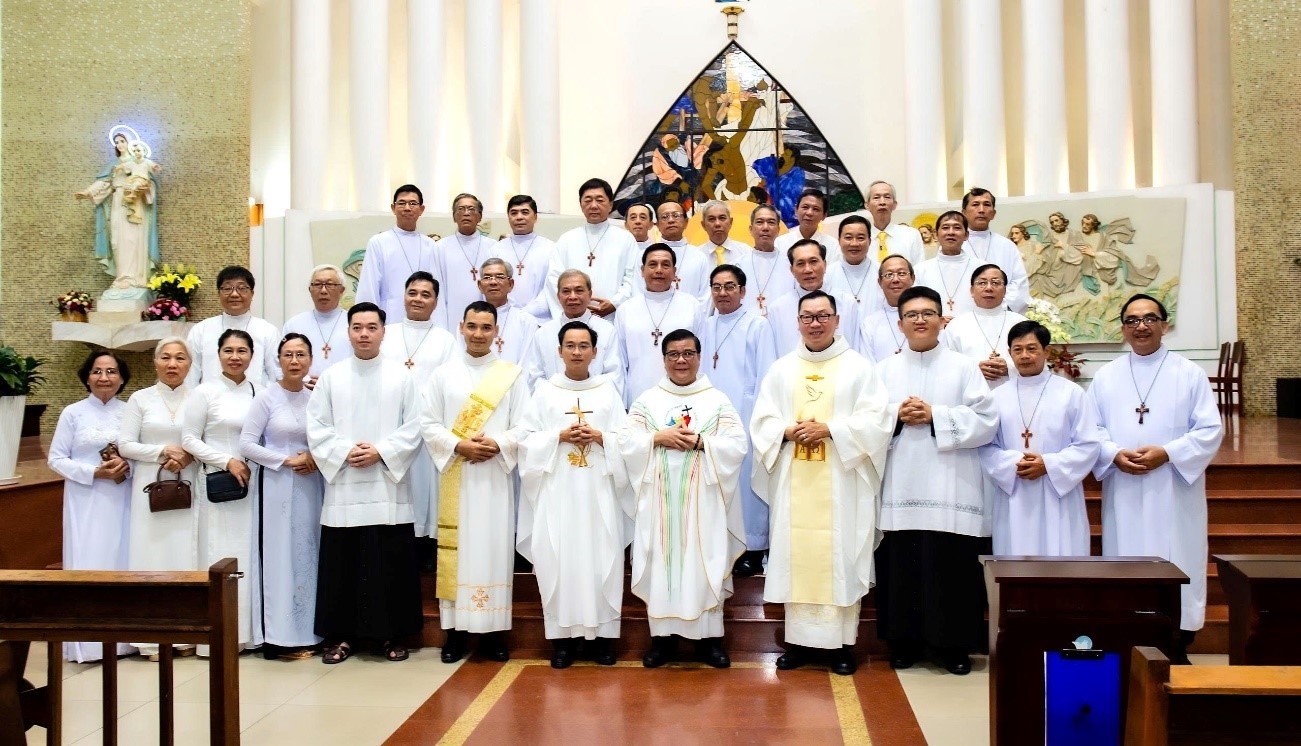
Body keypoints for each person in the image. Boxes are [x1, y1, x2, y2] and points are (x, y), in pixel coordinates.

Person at [751, 290, 892, 675]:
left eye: (823, 316)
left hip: (842, 481)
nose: (815, 323)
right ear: (797, 322)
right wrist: (786, 431)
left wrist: (830, 429)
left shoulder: (859, 368)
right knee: (795, 557)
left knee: (840, 555)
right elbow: (761, 421)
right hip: (793, 478)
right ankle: (798, 643)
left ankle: (842, 646)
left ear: (836, 320)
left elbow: (877, 421)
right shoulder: (782, 370)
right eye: (808, 317)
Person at [1085, 294, 1223, 664]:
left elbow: (1210, 430)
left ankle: (1178, 641)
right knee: (1126, 559)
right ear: (1123, 328)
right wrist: (1114, 453)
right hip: (1125, 488)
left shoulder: (1188, 374)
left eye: (1149, 318)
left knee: (1178, 556)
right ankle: (1128, 638)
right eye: (1132, 320)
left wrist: (1169, 453)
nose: (1141, 326)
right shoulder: (1107, 377)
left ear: (1164, 324)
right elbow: (1090, 429)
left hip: (1173, 490)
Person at [874, 286, 998, 675]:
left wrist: (935, 415)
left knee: (951, 567)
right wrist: (895, 416)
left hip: (952, 485)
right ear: (900, 324)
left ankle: (953, 647)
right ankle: (903, 643)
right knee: (902, 565)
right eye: (911, 314)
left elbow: (987, 421)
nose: (920, 320)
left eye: (928, 313)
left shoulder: (964, 368)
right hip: (900, 484)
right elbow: (865, 422)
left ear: (943, 320)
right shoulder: (883, 370)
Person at [618, 329, 748, 668]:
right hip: (659, 504)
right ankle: (662, 641)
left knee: (703, 565)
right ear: (663, 360)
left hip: (703, 504)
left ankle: (710, 641)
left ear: (699, 357)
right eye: (673, 354)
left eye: (688, 353)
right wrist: (657, 437)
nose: (681, 360)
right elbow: (625, 442)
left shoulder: (717, 400)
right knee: (663, 566)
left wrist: (703, 442)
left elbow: (738, 444)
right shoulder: (647, 401)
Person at [308, 303, 425, 665]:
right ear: (348, 332)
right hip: (344, 483)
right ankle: (340, 636)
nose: (364, 334)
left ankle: (392, 634)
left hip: (386, 484)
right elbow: (316, 425)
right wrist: (345, 451)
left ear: (383, 332)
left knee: (387, 560)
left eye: (371, 327)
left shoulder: (401, 377)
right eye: (357, 327)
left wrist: (381, 451)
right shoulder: (331, 377)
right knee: (343, 561)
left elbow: (415, 425)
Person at [517, 321, 632, 668]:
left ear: (595, 352)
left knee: (602, 557)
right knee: (559, 557)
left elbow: (627, 440)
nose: (577, 352)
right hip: (559, 491)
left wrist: (601, 437)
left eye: (584, 346)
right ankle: (562, 640)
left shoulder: (608, 391)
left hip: (600, 491)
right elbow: (525, 439)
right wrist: (558, 437)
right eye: (570, 346)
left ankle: (603, 639)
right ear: (559, 351)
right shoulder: (545, 392)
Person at [422, 301, 532, 663]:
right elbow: (428, 423)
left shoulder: (511, 376)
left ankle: (494, 633)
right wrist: (459, 445)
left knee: (492, 551)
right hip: (457, 474)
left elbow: (526, 425)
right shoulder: (443, 375)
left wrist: (498, 443)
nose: (478, 334)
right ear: (461, 327)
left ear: (496, 332)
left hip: (494, 480)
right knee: (459, 554)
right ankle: (455, 634)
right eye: (472, 326)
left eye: (486, 327)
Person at [980, 321, 1100, 556]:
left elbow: (1088, 444)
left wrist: (1048, 464)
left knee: (1061, 557)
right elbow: (986, 446)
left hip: (1059, 494)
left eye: (1032, 348)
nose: (1024, 355)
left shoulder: (1071, 393)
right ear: (1010, 353)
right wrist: (1014, 463)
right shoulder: (997, 397)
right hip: (1014, 492)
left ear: (1046, 351)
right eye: (1018, 349)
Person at [239, 333, 326, 660]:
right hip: (277, 486)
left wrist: (314, 457)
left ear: (310, 360)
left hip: (311, 484)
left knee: (309, 553)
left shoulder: (315, 398)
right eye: (288, 354)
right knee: (280, 557)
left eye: (301, 354)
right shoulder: (266, 398)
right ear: (278, 359)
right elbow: (247, 444)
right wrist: (286, 460)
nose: (294, 361)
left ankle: (311, 633)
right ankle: (280, 637)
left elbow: (326, 437)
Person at [48, 350, 135, 663]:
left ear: (122, 378)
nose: (104, 378)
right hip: (84, 499)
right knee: (88, 559)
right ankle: (88, 643)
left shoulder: (130, 411)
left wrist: (127, 467)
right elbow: (56, 459)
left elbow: (139, 453)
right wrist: (94, 472)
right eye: (97, 371)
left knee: (122, 559)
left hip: (122, 496)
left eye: (111, 371)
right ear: (87, 377)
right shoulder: (73, 413)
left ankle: (125, 640)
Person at [118, 337, 199, 660]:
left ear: (190, 364)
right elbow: (125, 445)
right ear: (155, 362)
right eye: (165, 357)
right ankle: (151, 638)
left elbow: (207, 439)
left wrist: (188, 456)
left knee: (186, 556)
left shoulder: (199, 396)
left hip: (188, 484)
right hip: (149, 486)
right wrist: (163, 451)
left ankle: (187, 634)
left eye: (180, 358)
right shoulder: (140, 399)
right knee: (151, 556)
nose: (172, 364)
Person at [181, 329, 262, 650]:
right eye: (228, 350)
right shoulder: (204, 392)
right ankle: (217, 637)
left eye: (242, 351)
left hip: (252, 484)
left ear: (252, 356)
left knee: (248, 555)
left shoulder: (259, 391)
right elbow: (189, 439)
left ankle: (247, 635)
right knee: (219, 553)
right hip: (217, 482)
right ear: (218, 355)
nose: (235, 357)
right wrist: (227, 461)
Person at [700, 265, 777, 576]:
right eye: (716, 287)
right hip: (710, 416)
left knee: (745, 482)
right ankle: (716, 545)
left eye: (730, 286)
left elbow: (766, 373)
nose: (722, 293)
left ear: (743, 291)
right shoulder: (705, 325)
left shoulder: (757, 325)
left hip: (745, 414)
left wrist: (758, 420)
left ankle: (751, 549)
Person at [379, 272, 457, 545]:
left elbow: (449, 384)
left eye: (426, 295)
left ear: (435, 301)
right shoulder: (385, 334)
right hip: (391, 426)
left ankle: (425, 544)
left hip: (428, 429)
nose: (418, 299)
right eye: (412, 293)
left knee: (426, 490)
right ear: (403, 296)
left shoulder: (446, 340)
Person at [615, 244, 705, 406]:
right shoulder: (626, 310)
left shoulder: (691, 306)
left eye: (665, 265)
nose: (659, 270)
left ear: (674, 271)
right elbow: (620, 363)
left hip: (684, 397)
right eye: (652, 264)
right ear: (642, 270)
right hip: (638, 397)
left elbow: (701, 356)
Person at [75, 129, 161, 297]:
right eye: (117, 142)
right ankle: (122, 276)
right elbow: (104, 183)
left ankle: (135, 278)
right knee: (117, 240)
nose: (119, 144)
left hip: (135, 204)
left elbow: (149, 182)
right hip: (117, 202)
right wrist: (88, 192)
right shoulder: (114, 165)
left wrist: (144, 188)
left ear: (131, 143)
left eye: (122, 141)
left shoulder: (139, 162)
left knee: (132, 239)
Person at [546, 178, 638, 318]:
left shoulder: (625, 239)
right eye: (588, 200)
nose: (593, 206)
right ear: (581, 204)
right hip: (573, 316)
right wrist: (571, 309)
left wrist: (614, 303)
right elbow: (554, 278)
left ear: (610, 205)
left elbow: (633, 277)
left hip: (613, 315)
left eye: (600, 200)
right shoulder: (567, 239)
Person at [526, 269, 625, 397]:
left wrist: (584, 394)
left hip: (594, 402)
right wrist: (560, 396)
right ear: (558, 296)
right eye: (566, 291)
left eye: (579, 291)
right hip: (554, 403)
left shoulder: (607, 330)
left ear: (590, 294)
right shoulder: (543, 333)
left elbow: (614, 376)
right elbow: (535, 377)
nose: (572, 297)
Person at [355, 184, 439, 323]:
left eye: (413, 203)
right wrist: (369, 324)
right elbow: (368, 288)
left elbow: (435, 290)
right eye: (401, 203)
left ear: (421, 209)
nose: (407, 208)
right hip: (389, 319)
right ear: (393, 208)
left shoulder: (431, 245)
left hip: (423, 319)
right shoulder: (379, 242)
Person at [185, 266, 280, 388]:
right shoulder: (200, 330)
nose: (234, 294)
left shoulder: (267, 331)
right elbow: (191, 376)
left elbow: (275, 376)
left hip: (255, 398)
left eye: (242, 288)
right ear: (218, 294)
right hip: (210, 399)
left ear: (252, 294)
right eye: (227, 288)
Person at [764, 239, 860, 356]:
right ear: (792, 270)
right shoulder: (778, 309)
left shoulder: (847, 303)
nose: (808, 270)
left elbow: (856, 349)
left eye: (813, 262)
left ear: (825, 265)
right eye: (800, 264)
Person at [940, 264, 1028, 389]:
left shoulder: (1021, 323)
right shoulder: (956, 326)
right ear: (971, 291)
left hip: (1016, 392)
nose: (989, 288)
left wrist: (1009, 368)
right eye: (982, 283)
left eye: (995, 283)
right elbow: (946, 364)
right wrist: (974, 369)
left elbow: (1036, 361)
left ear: (1005, 290)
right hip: (969, 394)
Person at [960, 188, 1030, 312]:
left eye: (987, 205)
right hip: (964, 313)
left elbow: (1019, 283)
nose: (981, 210)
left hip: (1001, 313)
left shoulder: (1007, 246)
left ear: (993, 213)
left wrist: (996, 306)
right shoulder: (957, 245)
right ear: (964, 212)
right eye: (975, 204)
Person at [281, 264, 352, 385]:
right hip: (303, 390)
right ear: (310, 290)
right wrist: (307, 381)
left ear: (341, 290)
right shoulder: (294, 324)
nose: (323, 291)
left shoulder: (353, 324)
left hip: (344, 388)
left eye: (330, 284)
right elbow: (282, 361)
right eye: (318, 285)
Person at [434, 193, 496, 332]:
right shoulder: (440, 248)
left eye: (471, 209)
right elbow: (438, 290)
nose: (466, 213)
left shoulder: (493, 247)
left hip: (486, 316)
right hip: (451, 316)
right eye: (461, 209)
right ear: (454, 217)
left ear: (480, 216)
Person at [489, 194, 556, 321]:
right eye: (514, 213)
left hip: (541, 319)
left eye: (525, 212)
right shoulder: (496, 250)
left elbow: (551, 286)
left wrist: (528, 312)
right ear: (508, 217)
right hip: (504, 316)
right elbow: (492, 285)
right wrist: (511, 311)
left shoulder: (550, 248)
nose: (519, 217)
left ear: (535, 217)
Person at [472, 258, 541, 365]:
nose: (493, 282)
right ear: (480, 285)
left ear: (510, 284)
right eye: (487, 277)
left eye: (499, 277)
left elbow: (529, 362)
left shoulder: (527, 321)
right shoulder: (470, 322)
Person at [914, 211, 979, 322]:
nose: (951, 232)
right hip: (933, 328)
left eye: (957, 228)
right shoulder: (921, 269)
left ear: (966, 235)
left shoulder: (980, 268)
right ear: (936, 235)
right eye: (945, 228)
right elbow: (915, 304)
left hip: (972, 327)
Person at [694, 201, 755, 302]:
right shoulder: (696, 256)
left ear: (730, 222)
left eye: (722, 218)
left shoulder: (746, 252)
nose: (717, 224)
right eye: (711, 219)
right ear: (703, 225)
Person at [859, 255, 914, 361]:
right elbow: (868, 364)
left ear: (913, 278)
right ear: (880, 282)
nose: (895, 280)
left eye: (901, 273)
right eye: (889, 275)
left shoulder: (926, 318)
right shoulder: (870, 323)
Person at [746, 204, 797, 317]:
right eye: (759, 222)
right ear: (751, 229)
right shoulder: (738, 265)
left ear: (778, 230)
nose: (765, 227)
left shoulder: (790, 265)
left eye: (771, 222)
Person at [824, 215, 884, 309]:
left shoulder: (881, 271)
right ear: (839, 241)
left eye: (860, 238)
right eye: (848, 237)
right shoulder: (827, 274)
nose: (854, 244)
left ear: (869, 241)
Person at [654, 200, 711, 298]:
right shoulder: (647, 256)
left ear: (686, 222)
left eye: (676, 215)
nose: (671, 220)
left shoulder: (699, 256)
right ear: (657, 225)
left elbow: (705, 295)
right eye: (665, 216)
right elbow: (640, 292)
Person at [860, 181, 924, 266]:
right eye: (876, 197)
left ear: (894, 205)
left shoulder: (911, 234)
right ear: (867, 205)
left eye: (887, 197)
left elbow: (919, 269)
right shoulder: (860, 238)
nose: (882, 202)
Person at [774, 188, 842, 265]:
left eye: (816, 209)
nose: (809, 213)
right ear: (796, 210)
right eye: (805, 207)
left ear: (824, 215)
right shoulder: (780, 243)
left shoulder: (833, 246)